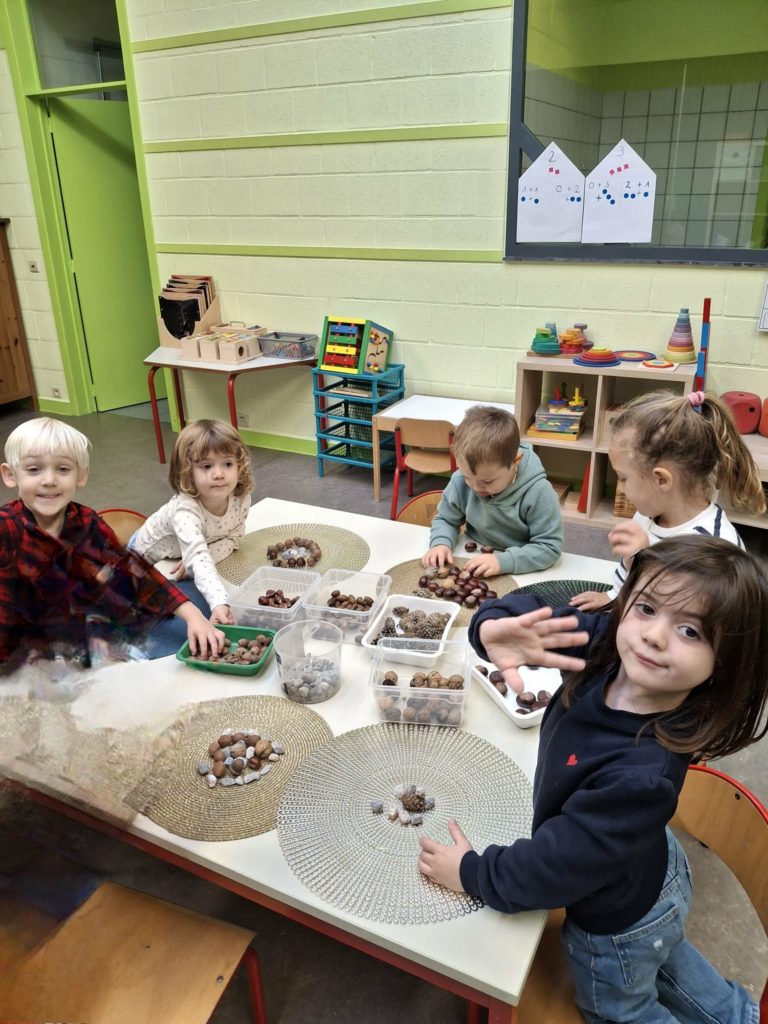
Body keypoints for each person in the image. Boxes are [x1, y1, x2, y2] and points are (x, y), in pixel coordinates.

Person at [418, 535, 768, 1024]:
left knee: (620, 1009)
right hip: (647, 869)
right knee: (664, 953)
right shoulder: (611, 645)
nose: (654, 635)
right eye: (647, 607)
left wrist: (472, 873)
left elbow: (550, 869)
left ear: (724, 664)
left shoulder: (641, 778)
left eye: (690, 631)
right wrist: (493, 625)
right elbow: (537, 617)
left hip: (615, 922)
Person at [0, 417, 225, 669]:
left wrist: (193, 616)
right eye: (34, 470)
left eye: (62, 469)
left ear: (81, 476)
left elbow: (132, 572)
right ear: (10, 475)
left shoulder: (86, 522)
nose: (49, 480)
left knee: (193, 609)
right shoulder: (6, 527)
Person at [572, 389, 765, 611]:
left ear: (662, 480)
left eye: (623, 478)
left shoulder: (716, 546)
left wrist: (645, 559)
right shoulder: (647, 515)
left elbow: (692, 612)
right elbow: (627, 571)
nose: (621, 488)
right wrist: (614, 594)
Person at [129, 419, 253, 626]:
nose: (219, 474)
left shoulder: (240, 498)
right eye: (206, 466)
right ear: (187, 473)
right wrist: (219, 602)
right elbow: (196, 554)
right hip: (142, 561)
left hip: (181, 555)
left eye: (228, 464)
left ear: (240, 466)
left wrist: (200, 558)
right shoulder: (185, 510)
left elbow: (234, 537)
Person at [421, 406, 563, 577]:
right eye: (467, 477)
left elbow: (549, 548)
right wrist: (441, 543)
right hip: (473, 556)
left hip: (523, 567)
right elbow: (446, 519)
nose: (475, 487)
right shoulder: (460, 481)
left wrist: (503, 561)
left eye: (487, 481)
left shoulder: (539, 493)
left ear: (515, 462)